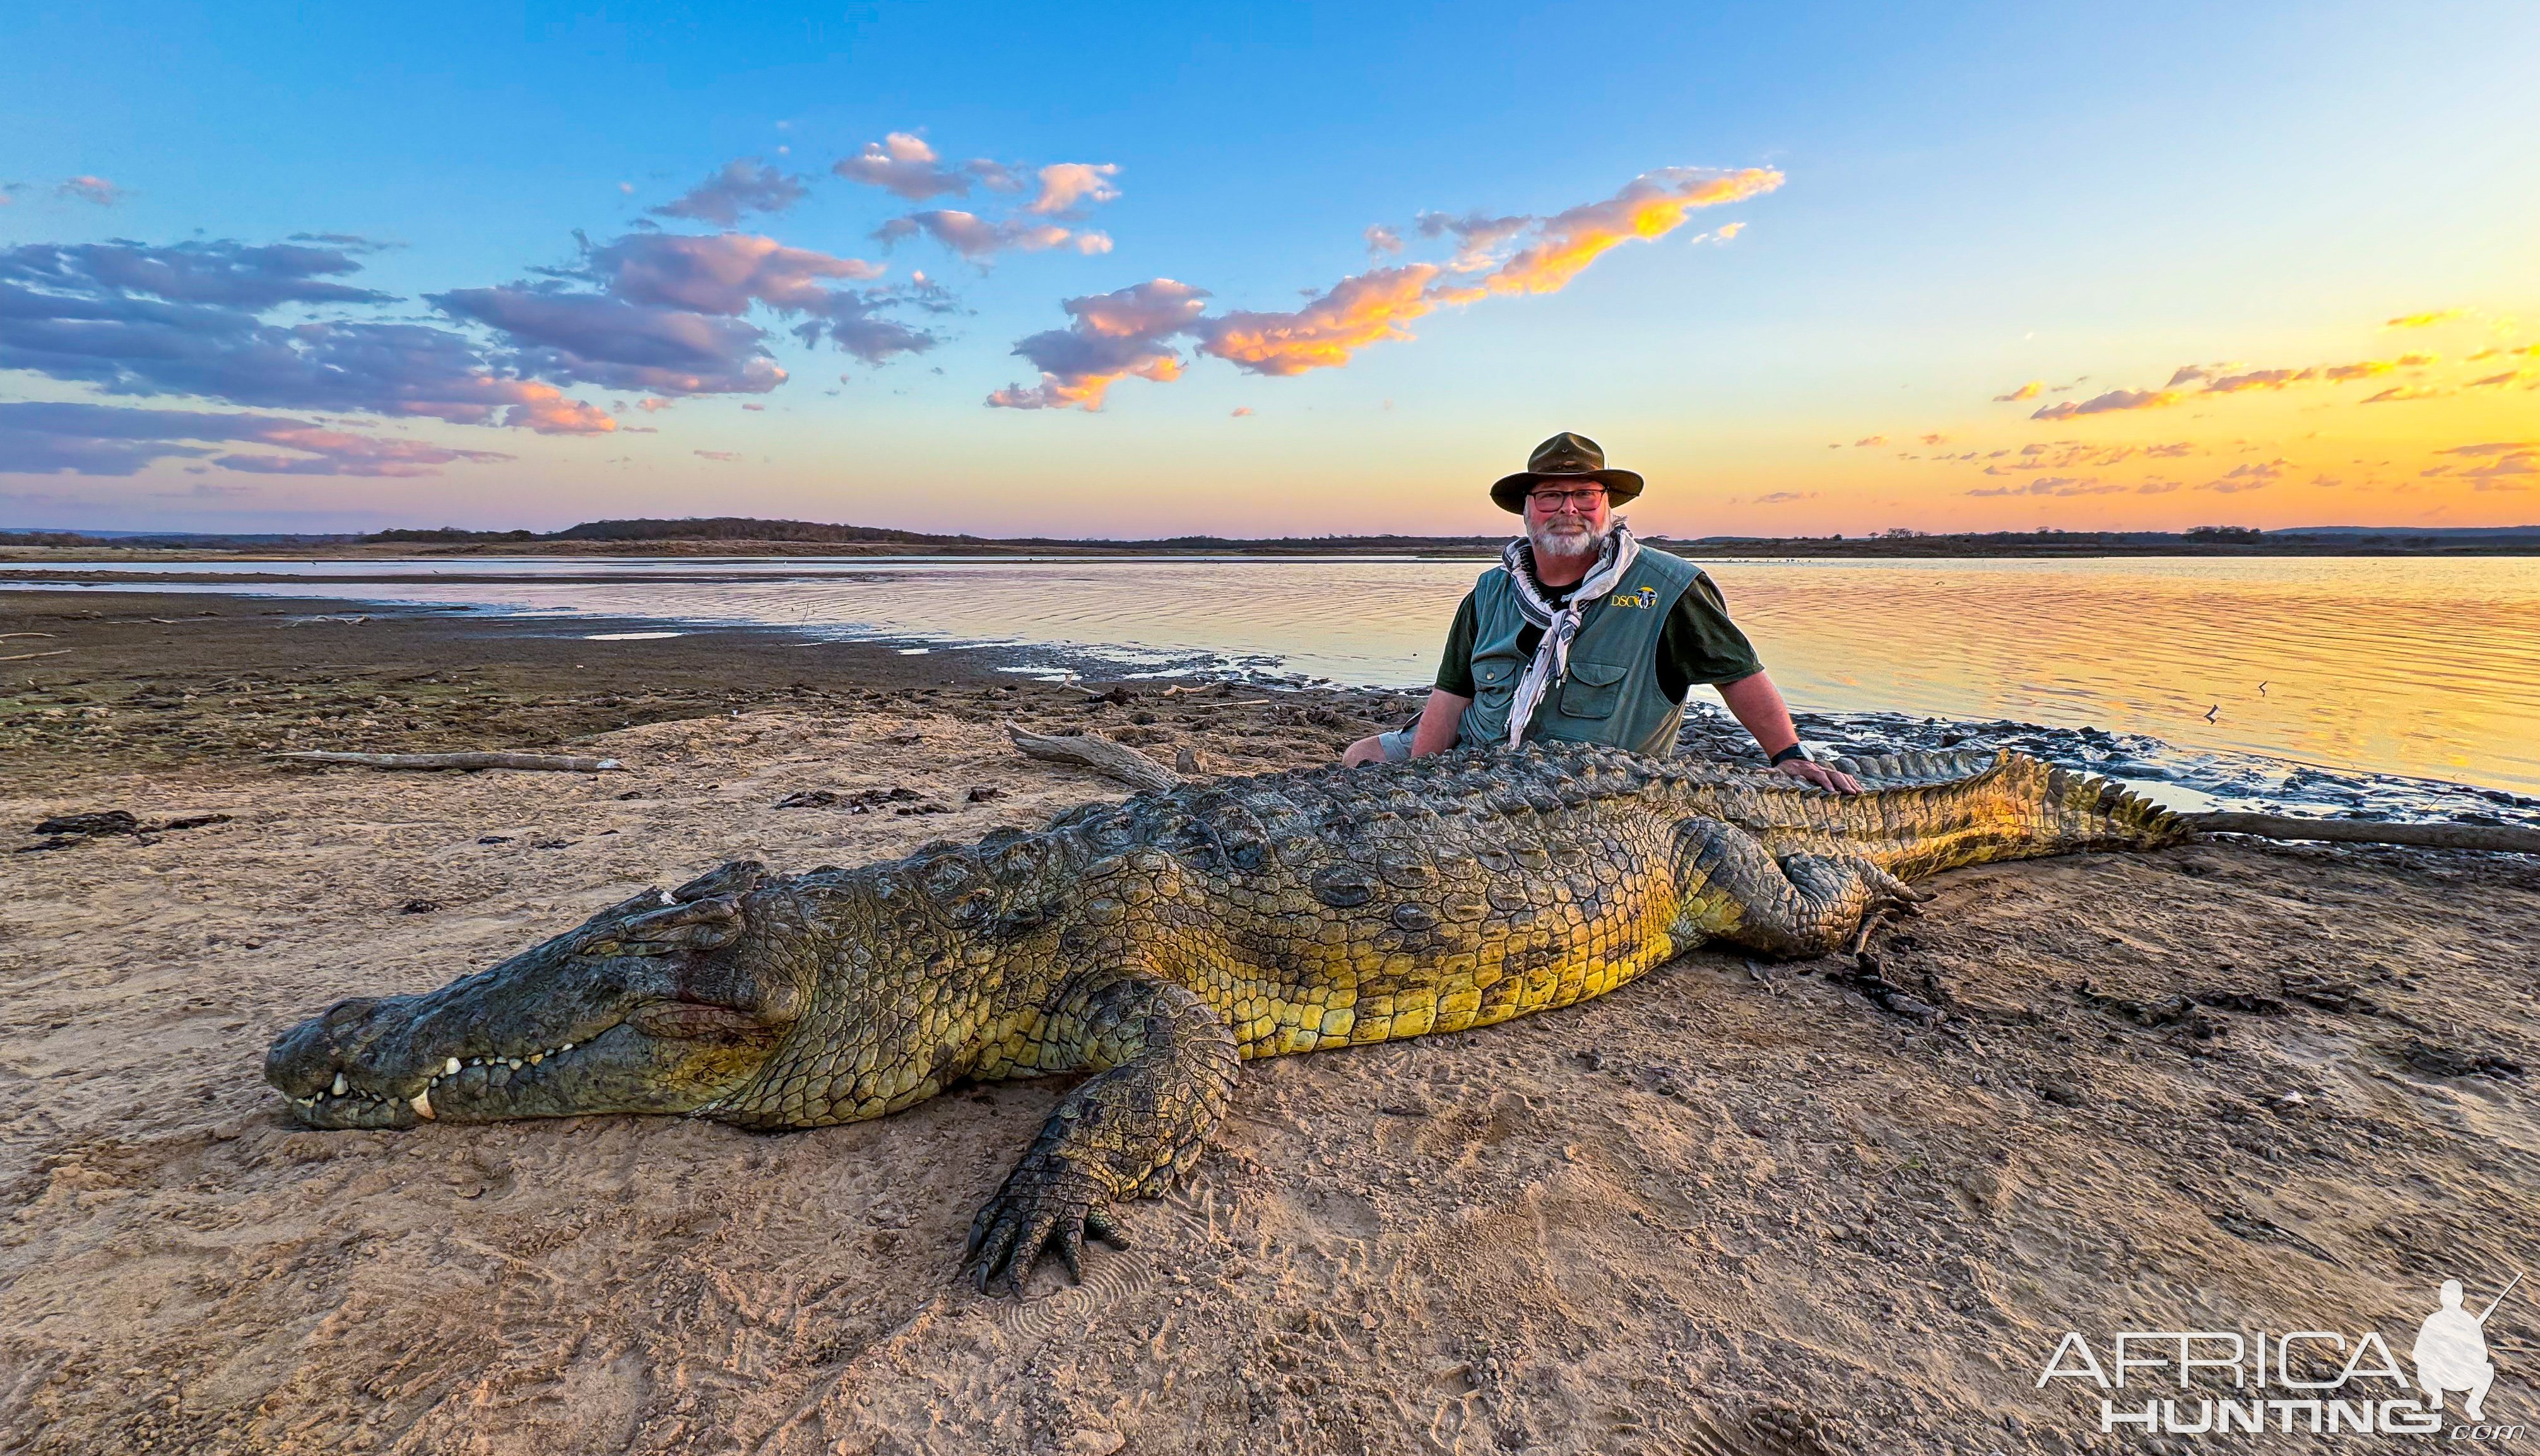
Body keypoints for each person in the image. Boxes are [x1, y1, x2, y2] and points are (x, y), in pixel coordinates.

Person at [1341, 432, 1861, 794]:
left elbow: (1738, 676)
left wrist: (1786, 754)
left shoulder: (1669, 588)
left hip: (1588, 785)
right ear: (1526, 509)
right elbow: (1451, 695)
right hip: (1481, 754)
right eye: (1550, 496)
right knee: (1361, 758)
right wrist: (1417, 785)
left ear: (1606, 505)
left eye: (1584, 495)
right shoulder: (1490, 591)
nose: (1568, 509)